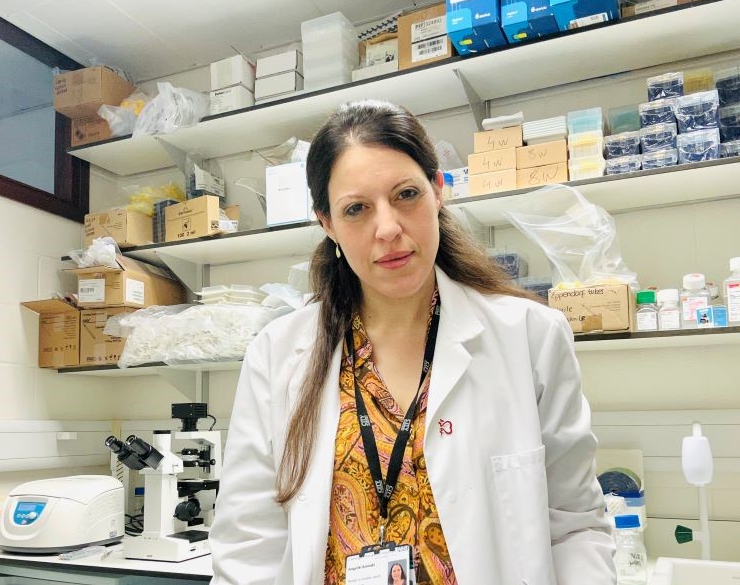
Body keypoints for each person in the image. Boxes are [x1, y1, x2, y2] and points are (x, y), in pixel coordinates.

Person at [210, 100, 616, 585]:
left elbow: (575, 526)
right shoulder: (277, 355)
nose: (388, 229)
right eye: (356, 209)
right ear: (327, 223)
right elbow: (248, 548)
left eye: (405, 194)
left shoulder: (530, 336)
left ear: (438, 190)